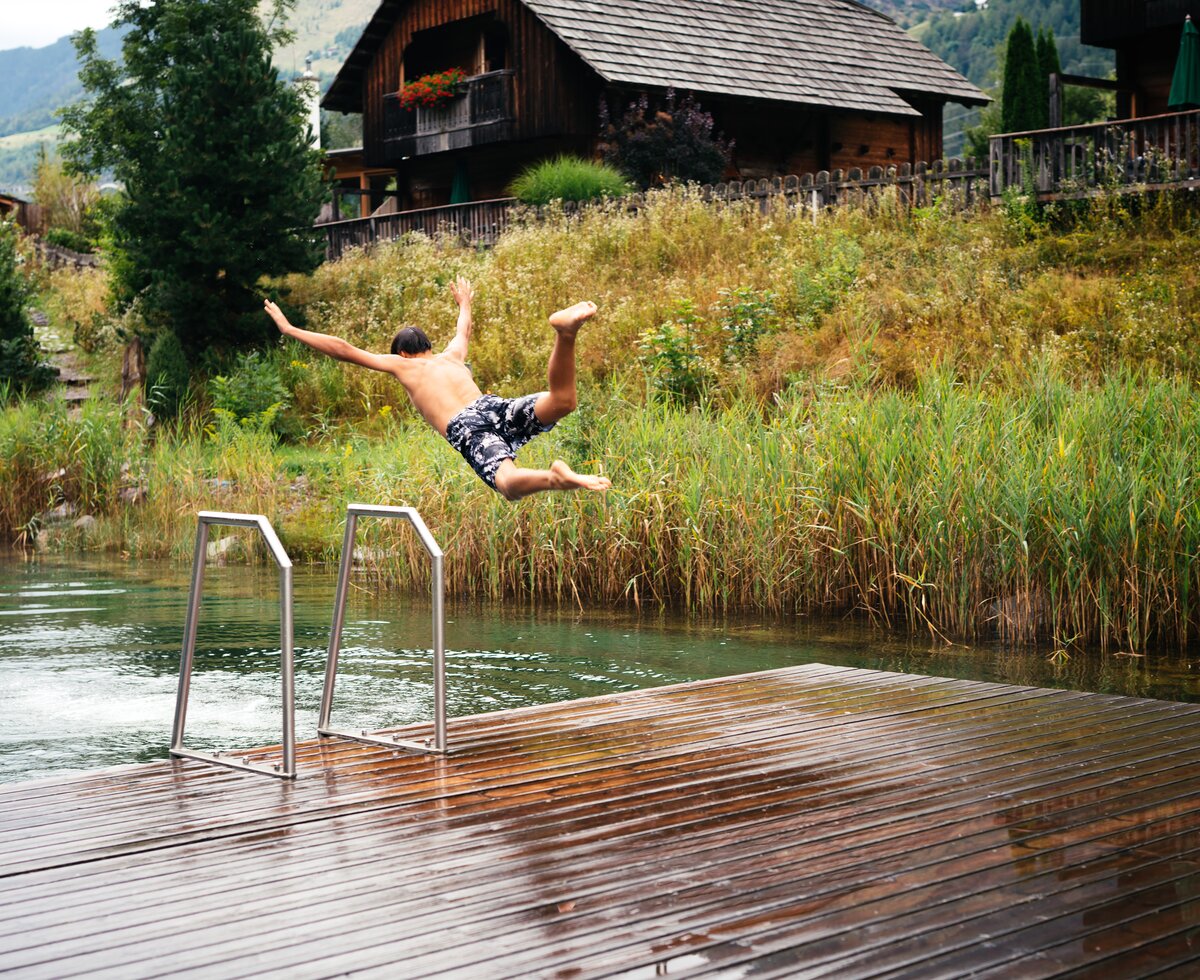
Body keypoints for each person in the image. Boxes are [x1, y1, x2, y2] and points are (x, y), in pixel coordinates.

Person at [263, 278, 611, 500]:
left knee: (508, 483)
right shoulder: (453, 356)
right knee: (562, 401)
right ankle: (565, 334)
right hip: (491, 407)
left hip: (467, 426)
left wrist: (290, 329)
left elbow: (344, 349)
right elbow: (463, 329)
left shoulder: (404, 366)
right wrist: (465, 303)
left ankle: (553, 479)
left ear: (401, 353)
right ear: (428, 346)